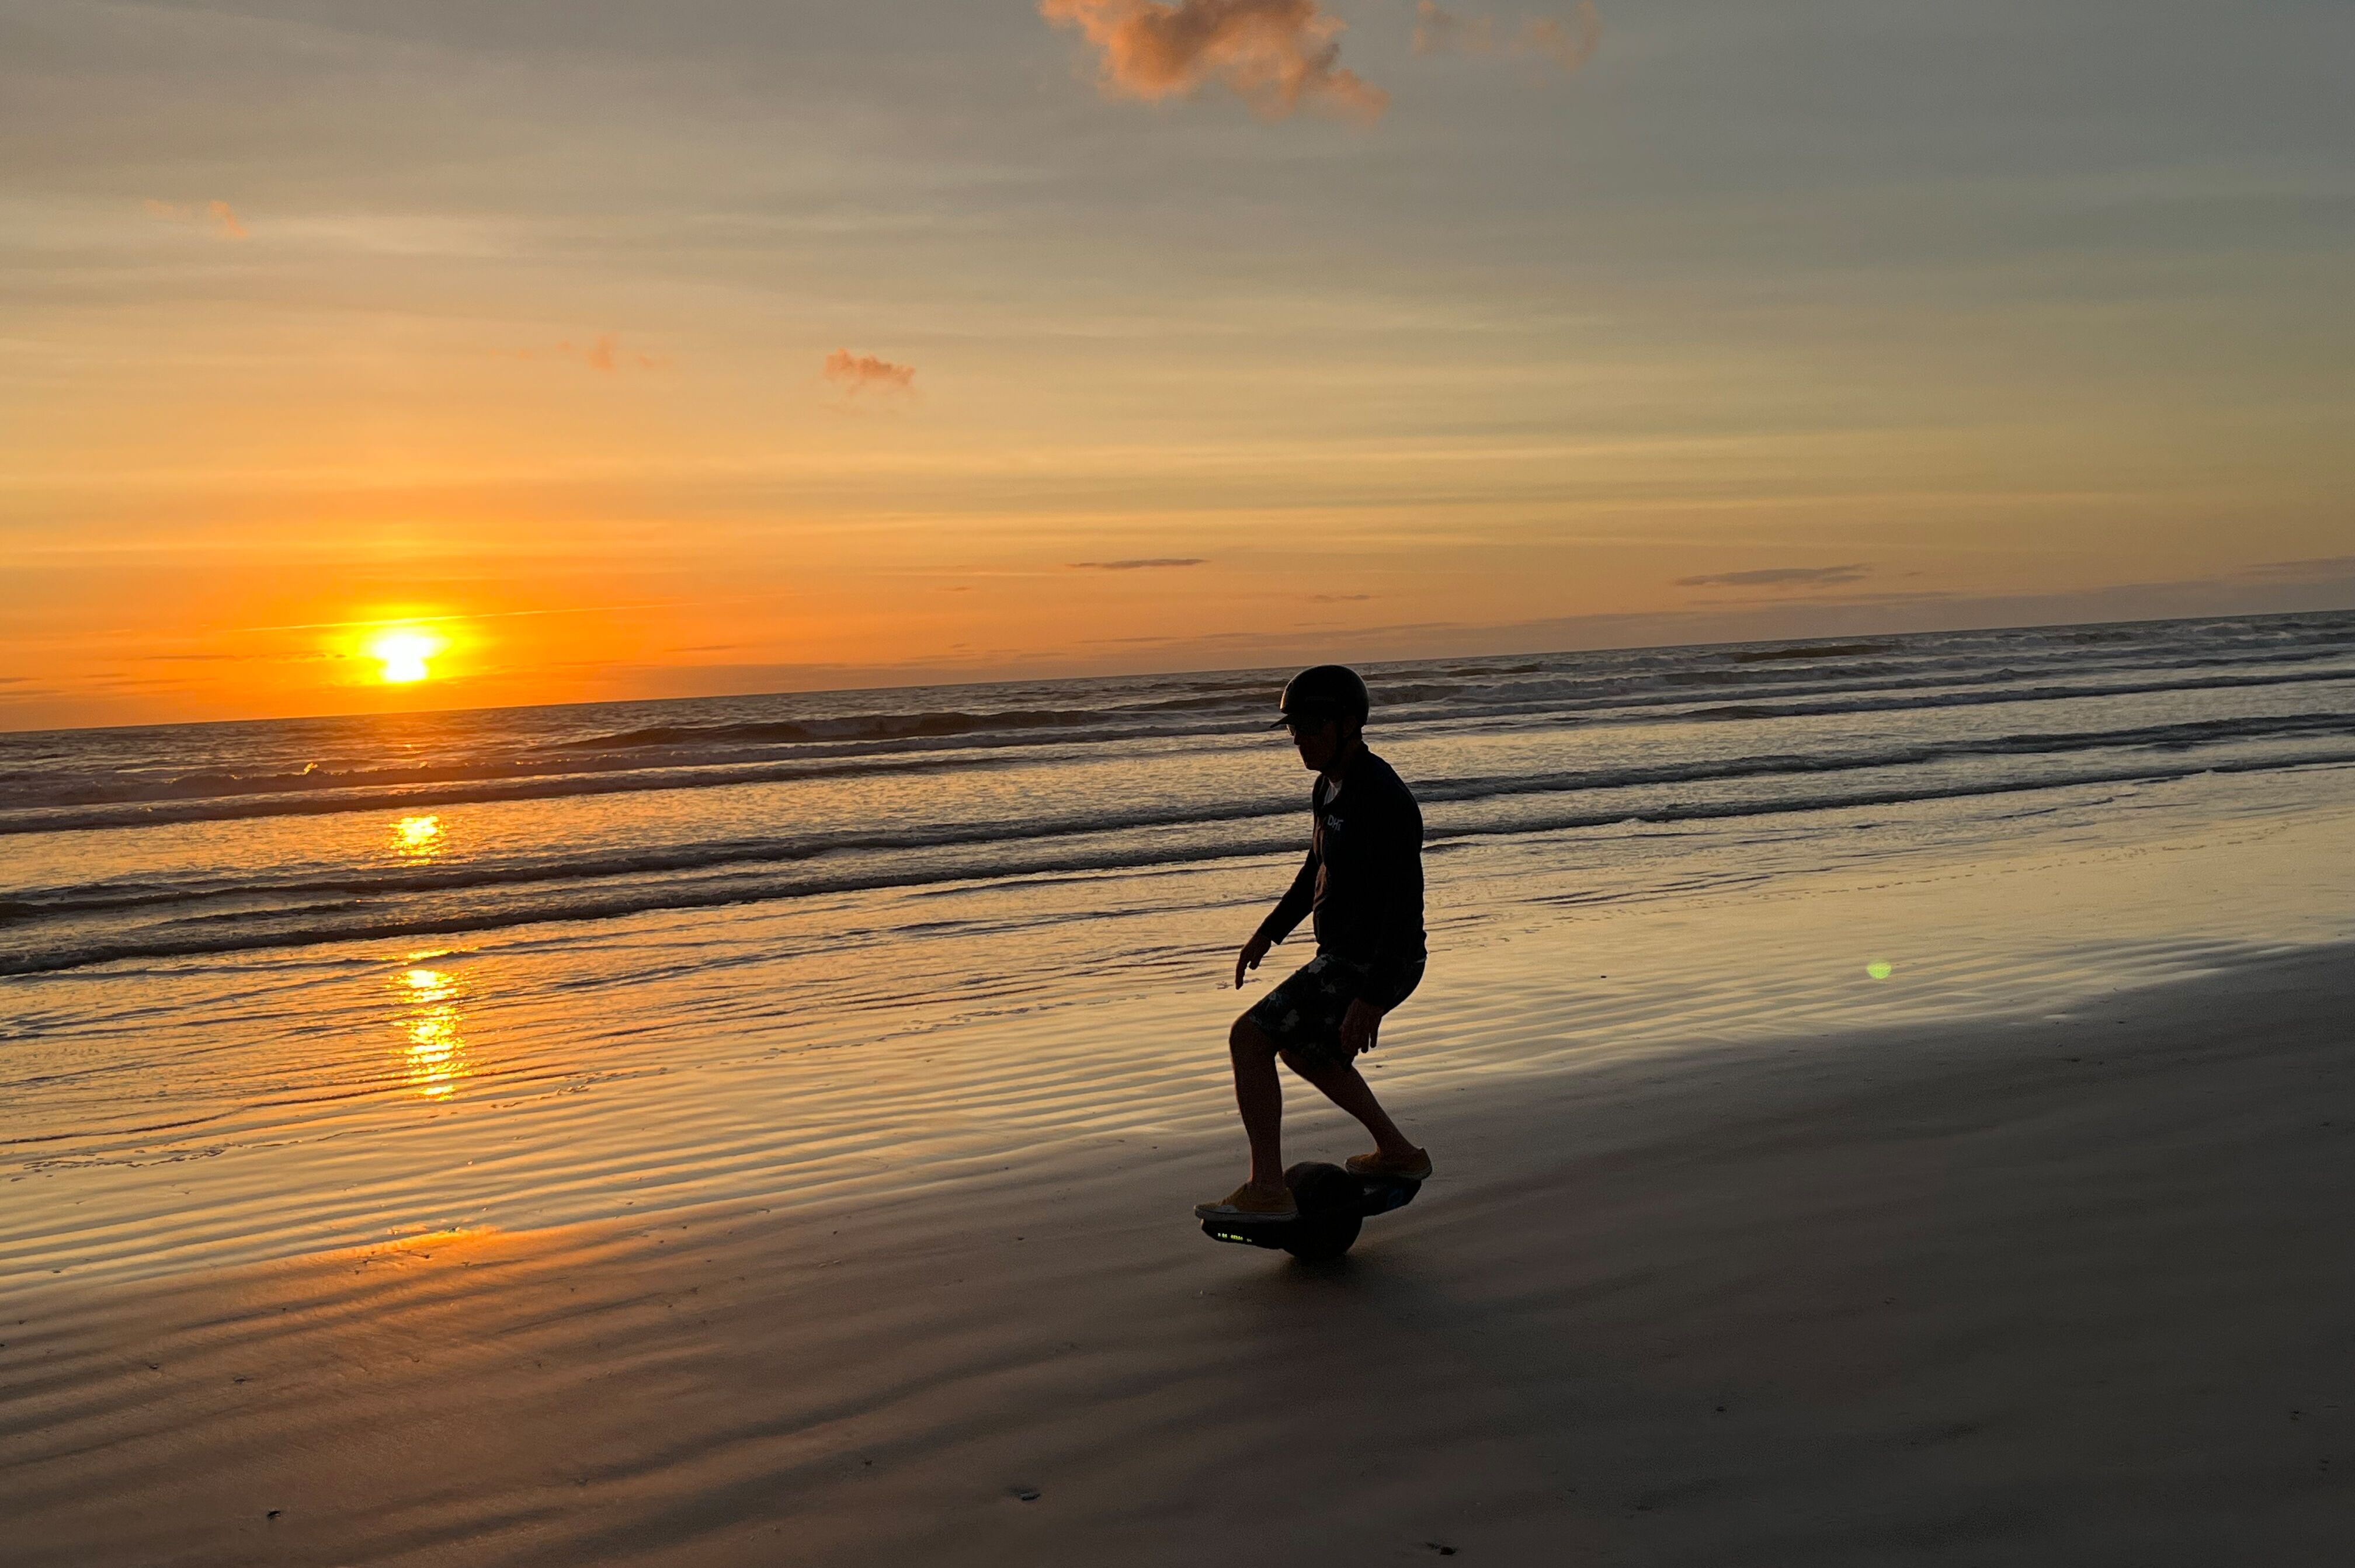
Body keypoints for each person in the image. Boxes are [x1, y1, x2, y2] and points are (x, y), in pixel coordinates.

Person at [1196, 665, 1432, 1222]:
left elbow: (1405, 905)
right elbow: (1315, 869)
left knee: (1249, 1037)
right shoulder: (1328, 787)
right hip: (1345, 958)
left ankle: (1267, 1188)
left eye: (1308, 724)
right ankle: (1398, 1152)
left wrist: (1372, 995)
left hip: (1378, 959)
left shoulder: (1383, 797)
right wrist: (1270, 930)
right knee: (1304, 1050)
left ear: (1348, 723)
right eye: (1292, 727)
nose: (1297, 737)